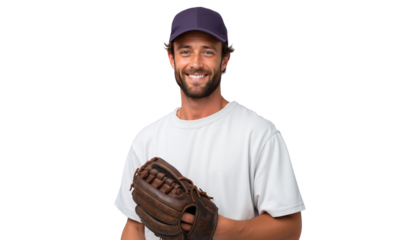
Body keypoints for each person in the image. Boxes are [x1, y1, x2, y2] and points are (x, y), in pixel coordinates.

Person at [113, 6, 307, 240]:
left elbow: (291, 229)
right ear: (170, 59)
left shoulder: (259, 134)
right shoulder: (145, 139)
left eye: (207, 52)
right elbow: (133, 227)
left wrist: (214, 226)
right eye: (185, 52)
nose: (196, 63)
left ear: (225, 59)